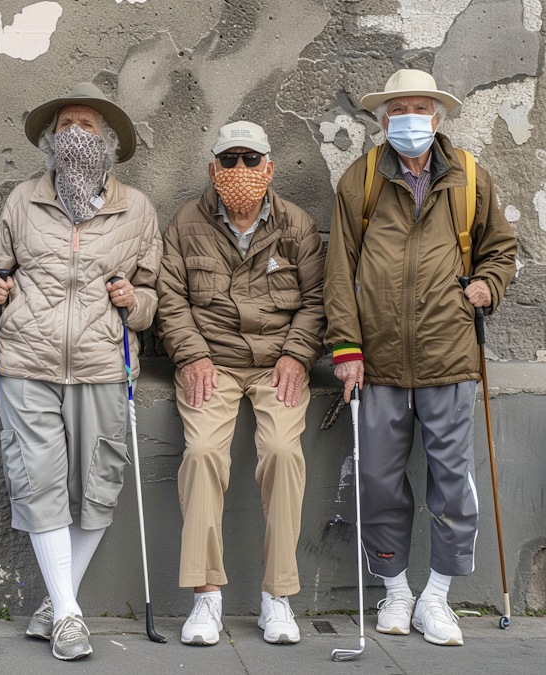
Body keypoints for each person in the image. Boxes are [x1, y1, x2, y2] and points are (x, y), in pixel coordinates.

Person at [324, 70, 517, 646]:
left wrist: (486, 285)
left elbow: (501, 250)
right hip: (376, 362)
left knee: (452, 482)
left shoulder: (470, 177)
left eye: (420, 109)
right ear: (384, 120)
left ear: (438, 117)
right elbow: (339, 271)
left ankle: (436, 596)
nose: (410, 119)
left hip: (449, 357)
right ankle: (396, 590)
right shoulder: (359, 180)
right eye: (399, 110)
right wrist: (347, 349)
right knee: (381, 483)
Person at [0, 83, 162, 660]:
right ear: (50, 142)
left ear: (107, 142)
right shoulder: (22, 200)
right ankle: (70, 618)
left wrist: (138, 300)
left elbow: (156, 296)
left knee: (98, 487)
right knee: (39, 481)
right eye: (64, 126)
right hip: (26, 360)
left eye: (86, 125)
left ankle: (58, 605)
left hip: (104, 363)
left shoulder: (137, 208)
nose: (74, 134)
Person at [156, 121, 325, 646]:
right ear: (212, 168)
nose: (240, 171)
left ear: (269, 168)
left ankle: (279, 596)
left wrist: (298, 356)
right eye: (228, 160)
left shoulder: (296, 224)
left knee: (280, 452)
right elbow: (170, 298)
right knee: (204, 452)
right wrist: (191, 356)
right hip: (213, 362)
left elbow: (318, 300)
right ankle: (206, 597)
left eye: (251, 160)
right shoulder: (185, 223)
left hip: (279, 363)